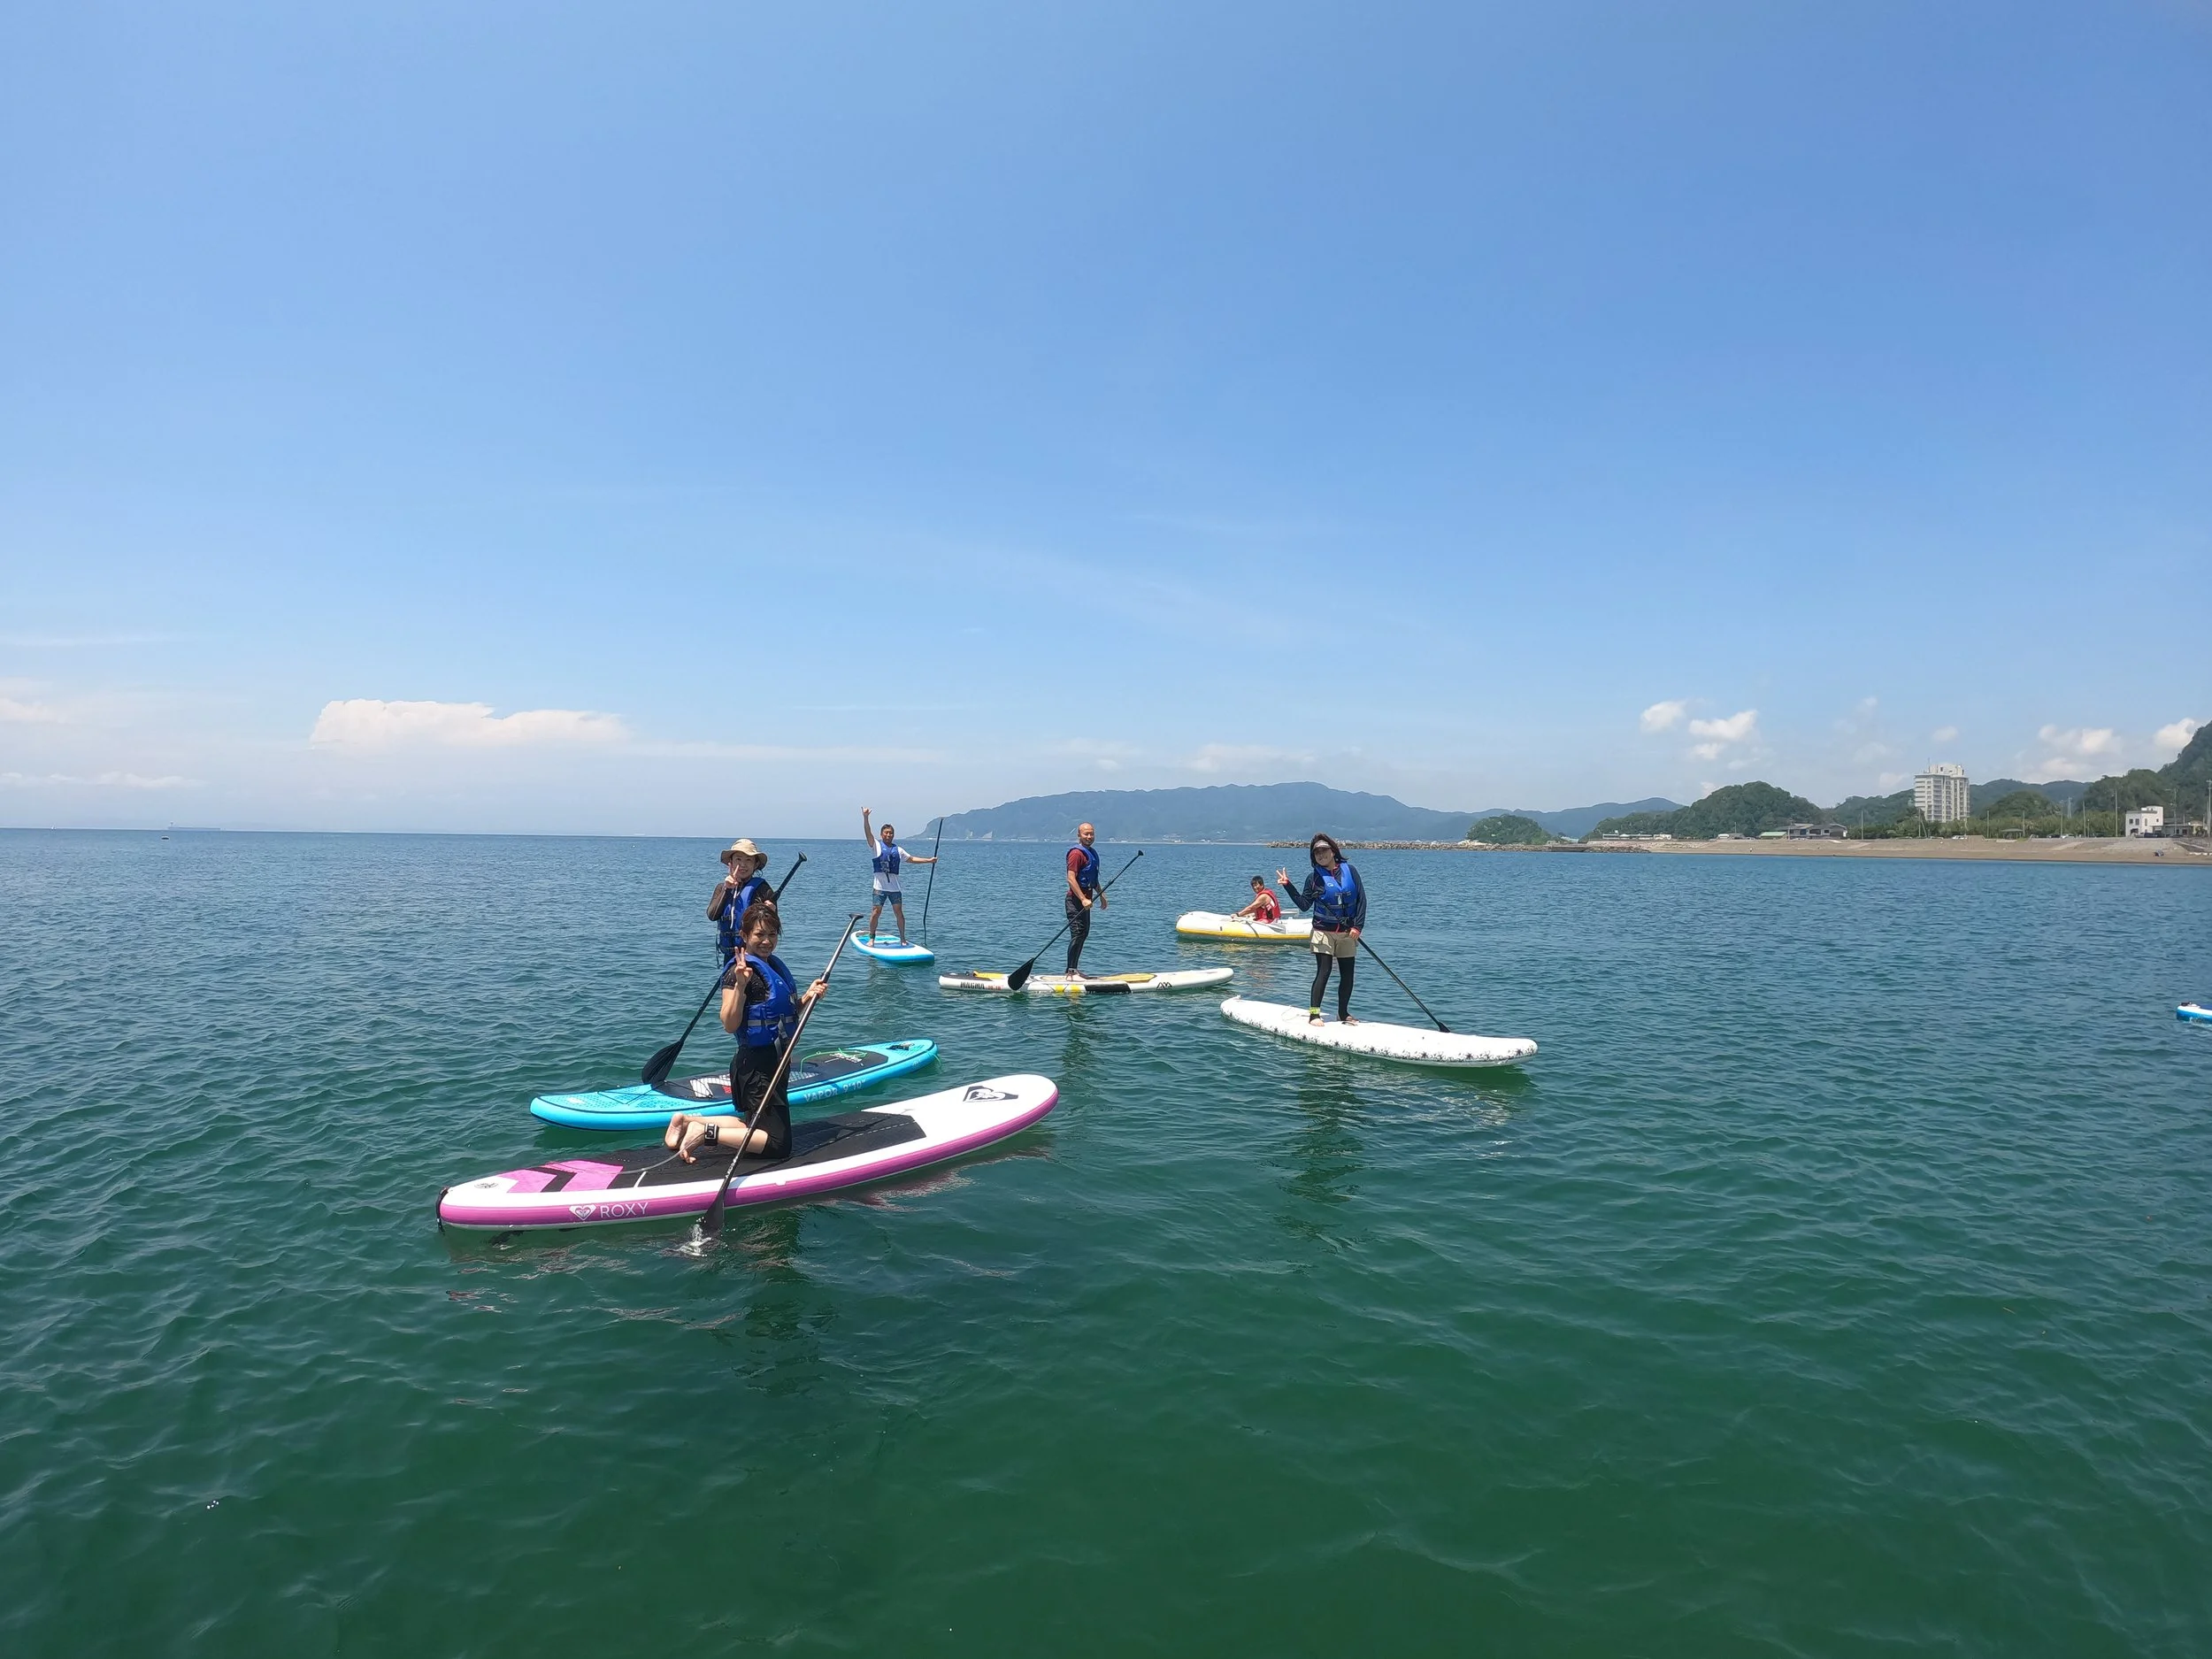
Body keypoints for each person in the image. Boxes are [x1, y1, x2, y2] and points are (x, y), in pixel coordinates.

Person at [665, 902, 826, 1164]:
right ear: (745, 936)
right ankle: (704, 1132)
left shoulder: (771, 966)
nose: (766, 941)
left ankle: (687, 1121)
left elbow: (779, 1018)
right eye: (759, 935)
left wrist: (808, 997)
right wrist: (740, 985)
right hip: (756, 1068)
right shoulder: (736, 972)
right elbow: (729, 1023)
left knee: (753, 1126)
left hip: (772, 1063)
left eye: (772, 935)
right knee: (777, 1144)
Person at [1278, 833, 1365, 1024]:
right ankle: (1314, 1014)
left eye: (1324, 850)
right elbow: (1303, 904)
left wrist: (1357, 927)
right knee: (1323, 972)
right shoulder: (1314, 879)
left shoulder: (1351, 871)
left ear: (1333, 851)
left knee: (1348, 975)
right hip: (1322, 932)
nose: (1320, 855)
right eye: (1316, 852)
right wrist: (1288, 886)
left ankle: (1343, 1013)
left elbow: (1361, 901)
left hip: (1347, 933)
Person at [862, 809, 936, 942]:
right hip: (879, 888)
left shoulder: (898, 850)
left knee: (899, 914)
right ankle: (871, 938)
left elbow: (911, 859)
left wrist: (929, 861)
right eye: (886, 833)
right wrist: (866, 817)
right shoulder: (876, 846)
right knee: (875, 913)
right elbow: (868, 833)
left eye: (891, 833)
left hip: (895, 888)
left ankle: (903, 938)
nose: (889, 835)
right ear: (882, 834)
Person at [706, 839, 772, 967]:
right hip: (730, 956)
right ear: (730, 863)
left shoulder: (763, 889)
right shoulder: (721, 888)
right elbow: (712, 915)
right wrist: (727, 890)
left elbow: (773, 928)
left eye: (748, 860)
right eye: (738, 859)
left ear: (755, 864)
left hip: (754, 955)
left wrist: (772, 912)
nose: (743, 865)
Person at [1062, 821, 1107, 977]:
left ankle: (1074, 969)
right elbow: (1071, 878)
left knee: (1083, 934)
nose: (1089, 836)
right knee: (1077, 933)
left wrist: (1101, 895)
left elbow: (1092, 878)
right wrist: (1082, 899)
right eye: (1086, 834)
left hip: (1086, 902)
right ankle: (1070, 971)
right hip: (1075, 901)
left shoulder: (1092, 853)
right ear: (1079, 835)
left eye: (1091, 833)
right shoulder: (1076, 854)